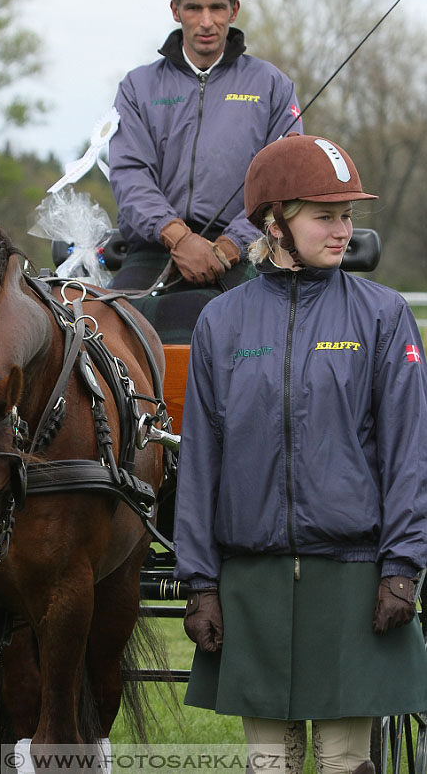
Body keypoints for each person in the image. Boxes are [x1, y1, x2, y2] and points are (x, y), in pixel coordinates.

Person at [173, 132, 427, 774]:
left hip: (353, 581)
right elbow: (201, 463)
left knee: (346, 765)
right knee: (269, 765)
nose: (343, 230)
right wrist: (201, 582)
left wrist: (402, 567)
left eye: (347, 215)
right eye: (325, 215)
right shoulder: (220, 323)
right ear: (274, 223)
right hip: (251, 584)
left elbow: (408, 454)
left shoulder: (384, 316)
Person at [108, 0, 303, 343]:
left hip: (248, 249)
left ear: (234, 11)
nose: (207, 22)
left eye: (217, 8)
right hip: (154, 248)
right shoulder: (137, 87)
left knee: (253, 339)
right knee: (109, 333)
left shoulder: (272, 85)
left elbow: (284, 178)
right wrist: (178, 236)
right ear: (175, 10)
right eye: (194, 8)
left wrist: (231, 245)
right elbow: (130, 174)